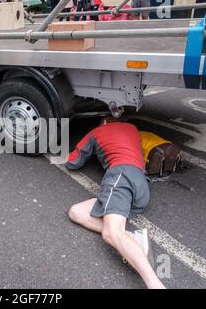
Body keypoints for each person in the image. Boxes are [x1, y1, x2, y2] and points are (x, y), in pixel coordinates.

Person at [66, 117, 165, 289]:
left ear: (103, 122)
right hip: (141, 187)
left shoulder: (97, 132)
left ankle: (155, 284)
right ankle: (132, 238)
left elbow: (73, 162)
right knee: (76, 212)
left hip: (120, 176)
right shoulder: (132, 128)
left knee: (111, 233)